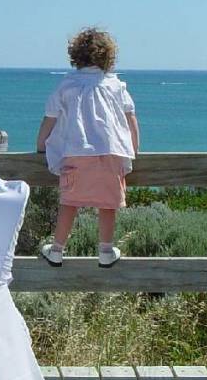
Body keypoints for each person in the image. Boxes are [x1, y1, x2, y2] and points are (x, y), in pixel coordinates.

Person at [36, 27, 140, 268]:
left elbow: (50, 117)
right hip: (111, 151)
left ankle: (57, 249)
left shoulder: (67, 84)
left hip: (77, 150)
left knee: (70, 201)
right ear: (108, 57)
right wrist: (133, 147)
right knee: (107, 203)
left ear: (75, 56)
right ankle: (105, 250)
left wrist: (41, 144)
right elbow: (130, 117)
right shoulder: (115, 85)